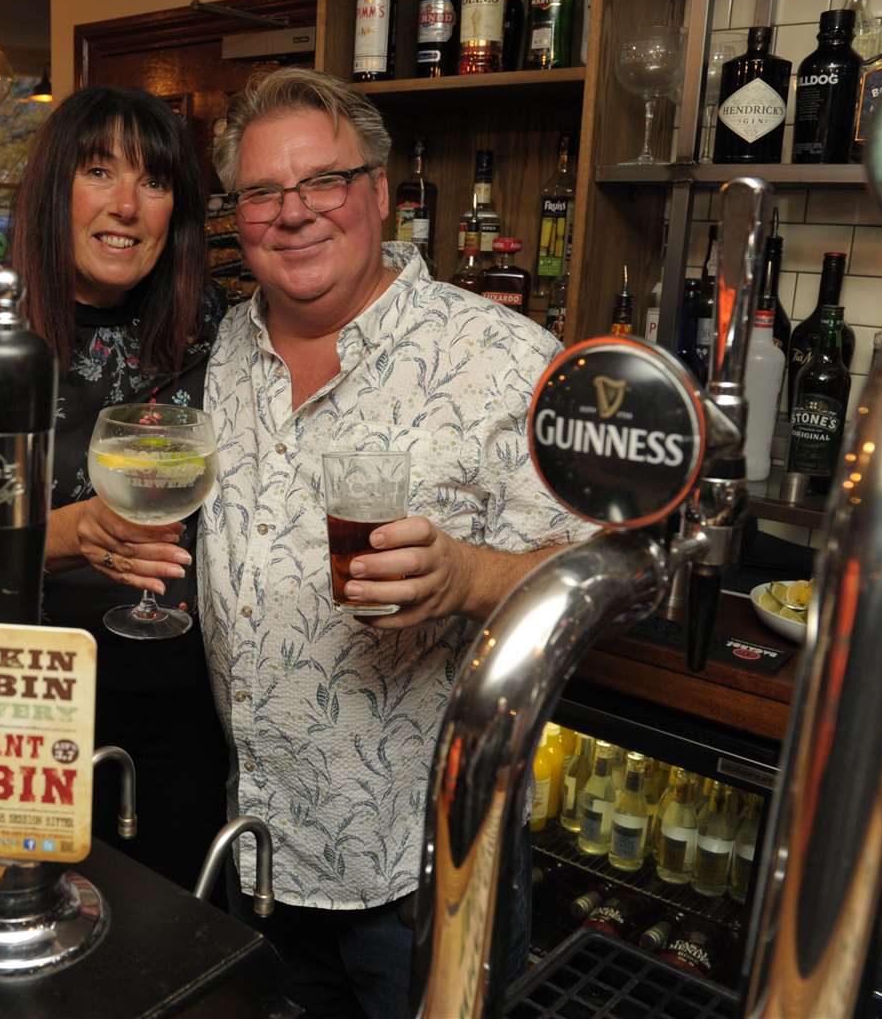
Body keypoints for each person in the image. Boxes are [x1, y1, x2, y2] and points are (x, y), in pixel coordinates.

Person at [192, 67, 598, 1017]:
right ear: (237, 215)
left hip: (425, 867)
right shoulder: (224, 350)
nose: (292, 214)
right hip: (256, 844)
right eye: (261, 192)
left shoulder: (504, 359)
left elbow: (605, 574)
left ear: (379, 192)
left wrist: (469, 575)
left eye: (322, 181)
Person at [0, 87, 229, 892]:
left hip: (182, 697)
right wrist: (81, 531)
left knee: (167, 933)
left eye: (155, 182)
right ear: (55, 187)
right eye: (100, 172)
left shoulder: (216, 326)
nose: (127, 206)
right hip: (29, 691)